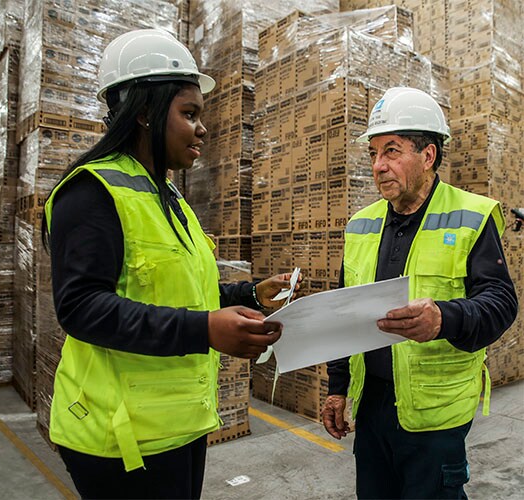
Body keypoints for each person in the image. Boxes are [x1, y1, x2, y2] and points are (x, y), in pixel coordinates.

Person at [41, 29, 292, 499]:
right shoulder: (91, 193)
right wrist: (205, 330)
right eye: (189, 114)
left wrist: (247, 294)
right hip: (120, 437)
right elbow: (80, 309)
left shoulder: (168, 196)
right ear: (143, 112)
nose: (202, 128)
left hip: (177, 423)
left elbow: (184, 291)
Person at [321, 87, 518, 499]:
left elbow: (500, 303)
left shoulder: (472, 216)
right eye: (374, 154)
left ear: (428, 156)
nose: (378, 166)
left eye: (391, 151)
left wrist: (444, 318)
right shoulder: (360, 225)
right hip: (373, 406)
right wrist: (337, 387)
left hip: (436, 414)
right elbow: (342, 312)